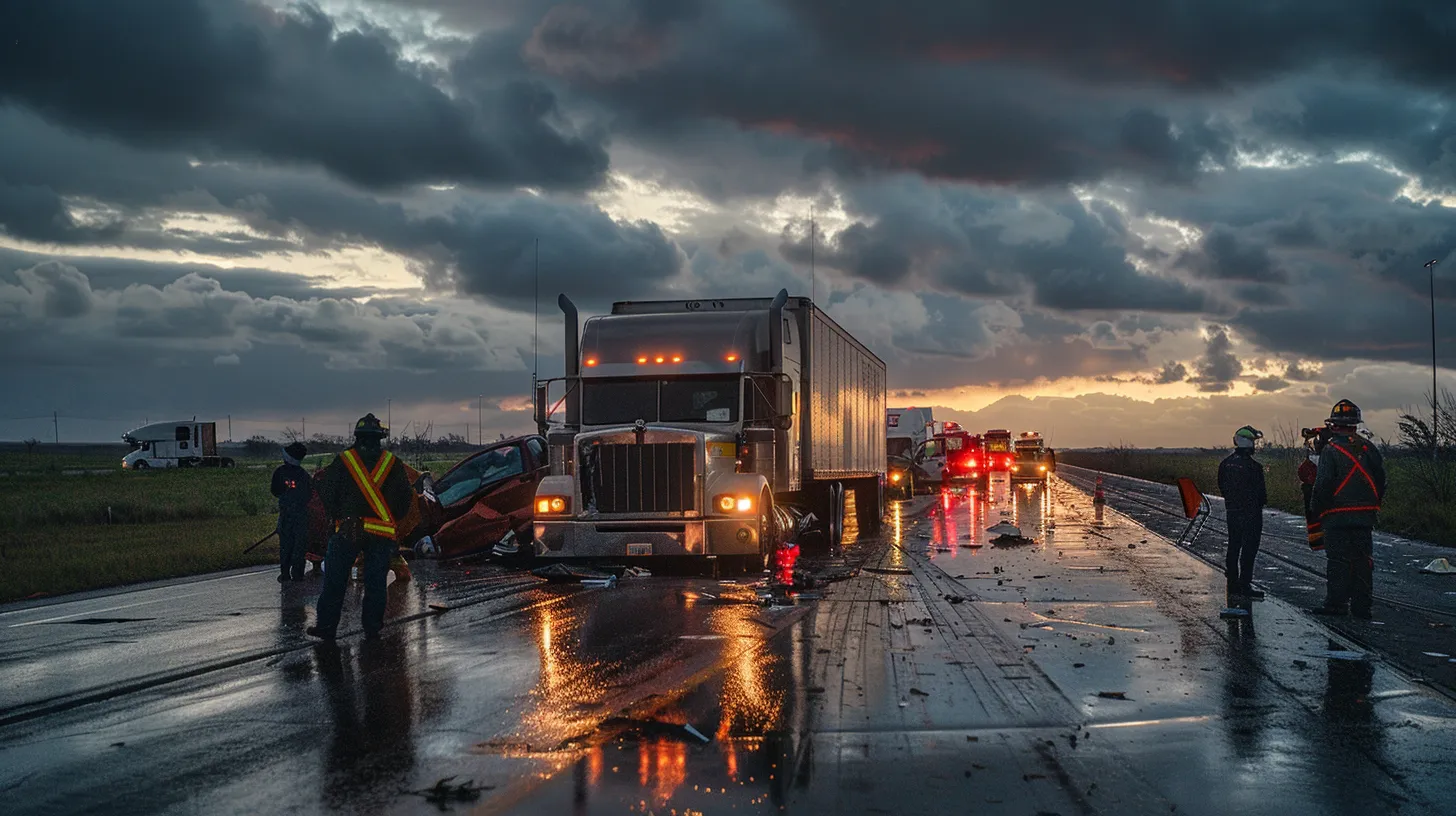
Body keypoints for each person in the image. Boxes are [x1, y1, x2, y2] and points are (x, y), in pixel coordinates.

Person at [307, 413, 412, 640]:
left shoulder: (344, 461)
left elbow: (326, 492)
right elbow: (406, 499)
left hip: (348, 529)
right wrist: (389, 519)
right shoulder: (392, 464)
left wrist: (338, 516)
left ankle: (326, 627)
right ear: (380, 438)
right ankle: (372, 628)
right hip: (381, 533)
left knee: (335, 580)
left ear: (357, 437)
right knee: (376, 582)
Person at [1309, 400, 1386, 620]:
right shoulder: (1368, 448)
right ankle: (1362, 607)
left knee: (1339, 562)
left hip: (1336, 517)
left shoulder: (1331, 451)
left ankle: (1337, 604)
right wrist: (1373, 503)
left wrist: (1316, 508)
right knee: (1362, 561)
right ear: (1355, 424)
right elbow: (1381, 479)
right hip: (1365, 517)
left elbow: (1323, 484)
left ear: (1334, 425)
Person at [1218, 425, 1268, 601]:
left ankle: (1232, 586)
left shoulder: (1225, 464)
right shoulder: (1254, 467)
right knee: (1248, 550)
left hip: (1232, 512)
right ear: (1247, 443)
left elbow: (1222, 487)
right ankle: (1244, 585)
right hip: (1251, 514)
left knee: (1233, 547)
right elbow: (1261, 494)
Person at [271, 441, 312, 582]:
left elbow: (275, 491)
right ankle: (298, 574)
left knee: (285, 546)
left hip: (286, 515)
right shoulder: (304, 475)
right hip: (301, 515)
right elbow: (309, 495)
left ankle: (285, 573)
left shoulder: (280, 472)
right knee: (299, 546)